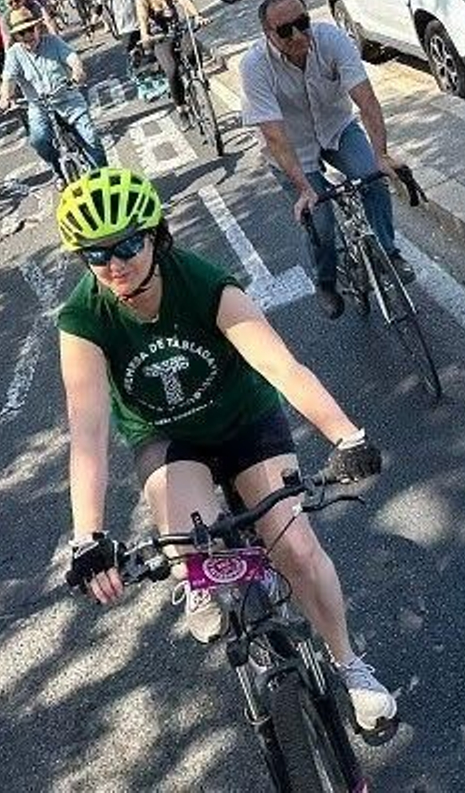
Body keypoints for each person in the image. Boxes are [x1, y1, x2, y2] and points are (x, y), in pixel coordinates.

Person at [55, 167, 399, 736]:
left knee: (297, 548)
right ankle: (197, 576)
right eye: (96, 254)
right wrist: (87, 538)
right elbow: (88, 431)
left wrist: (347, 436)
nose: (115, 264)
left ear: (156, 237)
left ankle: (350, 665)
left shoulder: (204, 283)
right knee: (187, 542)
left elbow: (280, 365)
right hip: (169, 440)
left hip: (244, 421)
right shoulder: (84, 317)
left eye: (128, 245)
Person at [239, 0, 414, 320]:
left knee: (372, 177)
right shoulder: (254, 66)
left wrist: (382, 154)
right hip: (291, 148)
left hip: (337, 129)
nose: (297, 35)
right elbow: (275, 137)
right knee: (320, 217)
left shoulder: (331, 39)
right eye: (285, 30)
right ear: (268, 34)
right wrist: (305, 189)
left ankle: (388, 253)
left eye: (302, 23)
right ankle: (326, 282)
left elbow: (367, 100)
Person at [0, 7, 108, 184]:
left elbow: (72, 57)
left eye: (30, 30)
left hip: (67, 99)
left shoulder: (53, 42)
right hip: (39, 107)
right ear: (16, 37)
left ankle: (104, 179)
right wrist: (6, 97)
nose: (27, 35)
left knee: (91, 139)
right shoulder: (14, 54)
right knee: (38, 140)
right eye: (21, 33)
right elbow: (8, 79)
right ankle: (58, 171)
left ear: (37, 28)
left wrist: (77, 70)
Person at [134, 0, 205, 124]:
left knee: (193, 49)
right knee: (171, 71)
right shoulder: (142, 0)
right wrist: (145, 36)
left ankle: (199, 77)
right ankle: (182, 109)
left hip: (178, 31)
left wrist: (197, 15)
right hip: (160, 38)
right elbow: (142, 20)